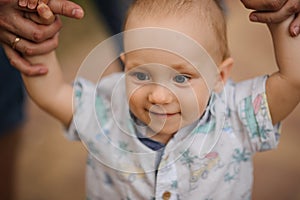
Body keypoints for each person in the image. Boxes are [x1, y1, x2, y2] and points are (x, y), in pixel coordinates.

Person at [4, 0, 300, 199]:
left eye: (182, 78)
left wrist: (282, 20)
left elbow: (293, 80)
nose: (158, 96)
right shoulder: (108, 110)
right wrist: (38, 46)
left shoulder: (237, 114)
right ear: (126, 64)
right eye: (142, 75)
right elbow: (52, 93)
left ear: (219, 76)